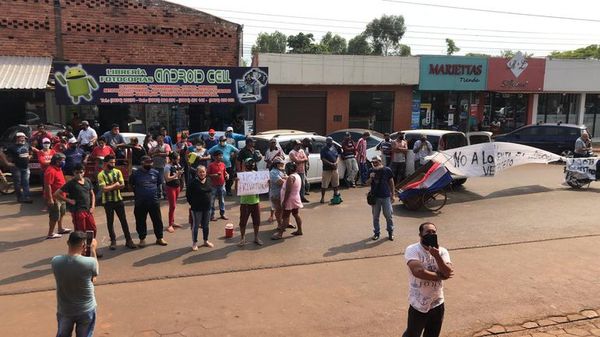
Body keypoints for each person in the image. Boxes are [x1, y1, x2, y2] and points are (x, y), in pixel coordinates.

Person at [402, 222, 454, 337]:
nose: (431, 234)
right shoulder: (413, 249)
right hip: (418, 303)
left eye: (433, 232)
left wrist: (436, 256)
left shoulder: (442, 251)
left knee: (432, 334)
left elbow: (448, 271)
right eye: (428, 232)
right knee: (412, 334)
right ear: (420, 235)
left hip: (437, 302)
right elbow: (418, 272)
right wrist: (441, 276)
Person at [51, 231, 99, 337]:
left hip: (65, 309)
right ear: (83, 245)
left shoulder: (56, 261)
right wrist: (93, 250)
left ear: (68, 243)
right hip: (86, 308)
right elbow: (94, 276)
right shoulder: (90, 262)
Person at [97, 155, 136, 250]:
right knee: (110, 222)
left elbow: (122, 185)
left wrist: (111, 187)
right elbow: (104, 189)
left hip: (118, 200)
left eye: (114, 162)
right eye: (111, 162)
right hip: (108, 201)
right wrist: (115, 185)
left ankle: (128, 240)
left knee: (124, 221)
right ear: (106, 163)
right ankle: (113, 240)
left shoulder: (117, 172)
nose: (113, 164)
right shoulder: (101, 174)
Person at [130, 156, 167, 247]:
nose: (150, 164)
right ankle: (142, 239)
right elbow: (131, 185)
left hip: (153, 201)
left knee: (157, 220)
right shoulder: (135, 173)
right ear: (142, 163)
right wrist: (138, 193)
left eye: (151, 162)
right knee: (140, 221)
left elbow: (158, 183)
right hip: (140, 202)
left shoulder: (156, 172)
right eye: (147, 162)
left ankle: (159, 238)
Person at [366, 156, 395, 241]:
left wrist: (393, 194)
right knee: (375, 217)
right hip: (375, 197)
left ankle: (390, 232)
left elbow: (391, 182)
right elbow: (366, 183)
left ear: (380, 161)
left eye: (376, 162)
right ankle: (376, 233)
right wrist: (371, 178)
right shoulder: (371, 171)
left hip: (386, 196)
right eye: (373, 162)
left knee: (388, 215)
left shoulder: (387, 170)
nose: (375, 164)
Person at [44, 153, 72, 239]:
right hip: (54, 197)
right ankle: (50, 233)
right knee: (54, 216)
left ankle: (60, 228)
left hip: (61, 196)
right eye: (62, 160)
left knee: (62, 213)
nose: (64, 162)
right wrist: (50, 199)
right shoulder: (50, 170)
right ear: (57, 161)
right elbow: (47, 185)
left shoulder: (58, 169)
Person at [272, 162, 303, 240]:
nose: (285, 170)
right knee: (296, 214)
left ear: (290, 169)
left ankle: (280, 234)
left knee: (285, 217)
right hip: (295, 198)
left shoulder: (291, 178)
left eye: (286, 168)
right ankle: (299, 230)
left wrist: (284, 201)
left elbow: (288, 191)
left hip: (290, 200)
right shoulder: (297, 175)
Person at [186, 165, 214, 251]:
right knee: (195, 226)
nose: (202, 173)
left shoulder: (209, 180)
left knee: (206, 225)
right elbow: (188, 195)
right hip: (196, 208)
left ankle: (206, 241)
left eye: (203, 172)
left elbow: (210, 191)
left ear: (206, 172)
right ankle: (194, 243)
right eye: (200, 172)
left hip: (207, 207)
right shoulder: (193, 182)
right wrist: (193, 204)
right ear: (197, 173)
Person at [237, 158, 262, 247]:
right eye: (249, 163)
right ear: (245, 165)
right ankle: (242, 238)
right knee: (243, 222)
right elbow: (237, 190)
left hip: (256, 201)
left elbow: (263, 187)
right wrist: (237, 182)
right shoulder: (242, 176)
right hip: (245, 202)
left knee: (257, 221)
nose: (251, 165)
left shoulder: (257, 175)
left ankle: (256, 237)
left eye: (252, 163)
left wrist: (266, 183)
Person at [6, 132, 33, 203]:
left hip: (26, 167)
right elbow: (5, 155)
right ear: (17, 138)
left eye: (24, 138)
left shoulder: (27, 144)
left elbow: (31, 152)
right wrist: (7, 163)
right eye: (21, 137)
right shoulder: (11, 147)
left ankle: (27, 197)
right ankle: (20, 197)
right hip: (16, 168)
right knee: (17, 183)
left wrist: (29, 156)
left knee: (26, 182)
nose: (23, 139)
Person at [164, 152, 184, 233]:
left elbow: (178, 176)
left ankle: (172, 222)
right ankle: (170, 225)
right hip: (170, 188)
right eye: (177, 159)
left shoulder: (177, 165)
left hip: (177, 187)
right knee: (172, 206)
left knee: (174, 206)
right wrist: (177, 175)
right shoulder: (167, 167)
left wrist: (180, 174)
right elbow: (167, 179)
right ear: (172, 159)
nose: (178, 161)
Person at [207, 150, 229, 221]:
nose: (221, 157)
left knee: (221, 200)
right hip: (213, 186)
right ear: (214, 157)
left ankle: (222, 214)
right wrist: (214, 175)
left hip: (221, 184)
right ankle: (212, 216)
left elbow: (224, 172)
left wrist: (227, 175)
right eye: (219, 155)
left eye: (221, 155)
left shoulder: (223, 164)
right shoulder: (211, 165)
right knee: (212, 201)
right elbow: (207, 175)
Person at [319, 137, 341, 204]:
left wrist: (336, 163)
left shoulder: (334, 147)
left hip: (335, 168)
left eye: (331, 141)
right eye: (329, 142)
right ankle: (322, 197)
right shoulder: (323, 149)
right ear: (326, 142)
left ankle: (335, 196)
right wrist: (331, 164)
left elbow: (337, 156)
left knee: (336, 184)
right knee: (324, 184)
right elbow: (323, 159)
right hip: (327, 169)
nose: (330, 143)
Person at [268, 157, 286, 226]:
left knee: (282, 209)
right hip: (276, 194)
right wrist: (287, 180)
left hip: (281, 193)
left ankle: (282, 223)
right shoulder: (273, 172)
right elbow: (280, 182)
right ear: (277, 164)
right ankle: (279, 225)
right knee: (278, 210)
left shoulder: (280, 171)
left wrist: (286, 178)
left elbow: (285, 177)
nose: (283, 164)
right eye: (281, 163)